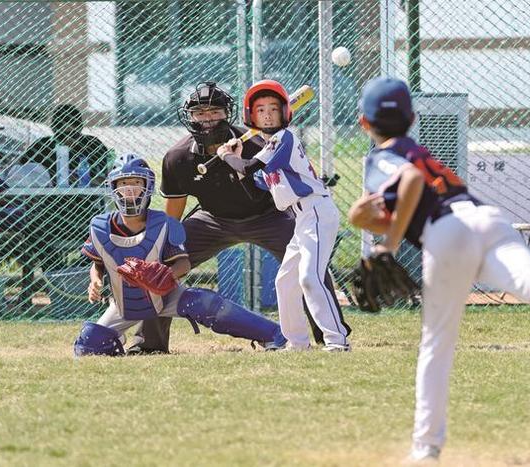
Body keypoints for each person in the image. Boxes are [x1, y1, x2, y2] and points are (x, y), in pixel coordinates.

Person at [347, 78, 530, 461]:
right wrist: (369, 221)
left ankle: (425, 447)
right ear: (412, 118)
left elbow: (411, 183)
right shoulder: (418, 150)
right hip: (486, 218)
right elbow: (407, 201)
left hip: (447, 234)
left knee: (436, 344)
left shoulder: (382, 156)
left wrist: (388, 243)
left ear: (365, 124)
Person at [130, 81, 350, 354]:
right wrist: (168, 247)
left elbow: (294, 173)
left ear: (228, 114)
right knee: (161, 265)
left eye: (215, 111)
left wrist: (234, 159)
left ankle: (329, 334)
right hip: (213, 220)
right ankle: (149, 343)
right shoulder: (177, 157)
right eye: (200, 113)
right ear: (189, 117)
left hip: (269, 215)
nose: (207, 118)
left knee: (309, 265)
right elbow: (174, 212)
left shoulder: (259, 140)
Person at [73, 153, 287, 356]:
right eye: (123, 184)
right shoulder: (100, 227)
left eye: (136, 183)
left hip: (165, 295)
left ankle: (274, 334)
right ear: (114, 188)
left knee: (204, 302)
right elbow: (99, 262)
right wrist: (95, 281)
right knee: (89, 344)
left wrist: (165, 275)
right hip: (124, 303)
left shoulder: (164, 223)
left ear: (147, 187)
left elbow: (183, 263)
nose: (130, 190)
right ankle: (117, 343)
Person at [217, 79, 350, 352]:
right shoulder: (270, 148)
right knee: (285, 281)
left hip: (316, 211)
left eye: (274, 108)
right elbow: (254, 187)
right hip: (301, 219)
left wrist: (226, 157)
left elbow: (248, 167)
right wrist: (237, 157)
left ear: (285, 113)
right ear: (251, 116)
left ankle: (337, 341)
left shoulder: (284, 139)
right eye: (260, 109)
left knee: (310, 278)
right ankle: (298, 342)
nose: (267, 113)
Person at [20, 104, 109, 187]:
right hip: (47, 199)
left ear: (80, 129)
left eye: (73, 135)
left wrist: (82, 180)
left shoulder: (92, 145)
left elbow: (108, 176)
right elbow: (22, 171)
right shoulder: (41, 146)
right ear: (54, 130)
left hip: (85, 199)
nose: (68, 140)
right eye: (62, 136)